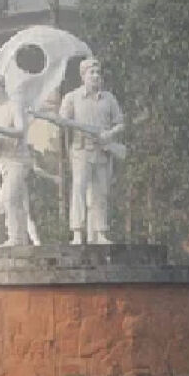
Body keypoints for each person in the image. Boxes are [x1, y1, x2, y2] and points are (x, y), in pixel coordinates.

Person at [59, 58, 124, 245]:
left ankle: (100, 232)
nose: (96, 76)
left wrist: (108, 135)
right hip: (81, 149)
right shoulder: (72, 97)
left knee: (100, 193)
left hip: (102, 151)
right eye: (91, 72)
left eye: (98, 72)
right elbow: (63, 120)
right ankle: (77, 233)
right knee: (78, 190)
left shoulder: (109, 99)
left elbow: (120, 123)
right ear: (83, 76)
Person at [0, 73, 34, 248]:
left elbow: (20, 130)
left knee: (10, 198)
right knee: (9, 202)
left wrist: (0, 129)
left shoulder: (14, 106)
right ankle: (20, 238)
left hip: (18, 160)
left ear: (2, 87)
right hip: (3, 161)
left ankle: (15, 238)